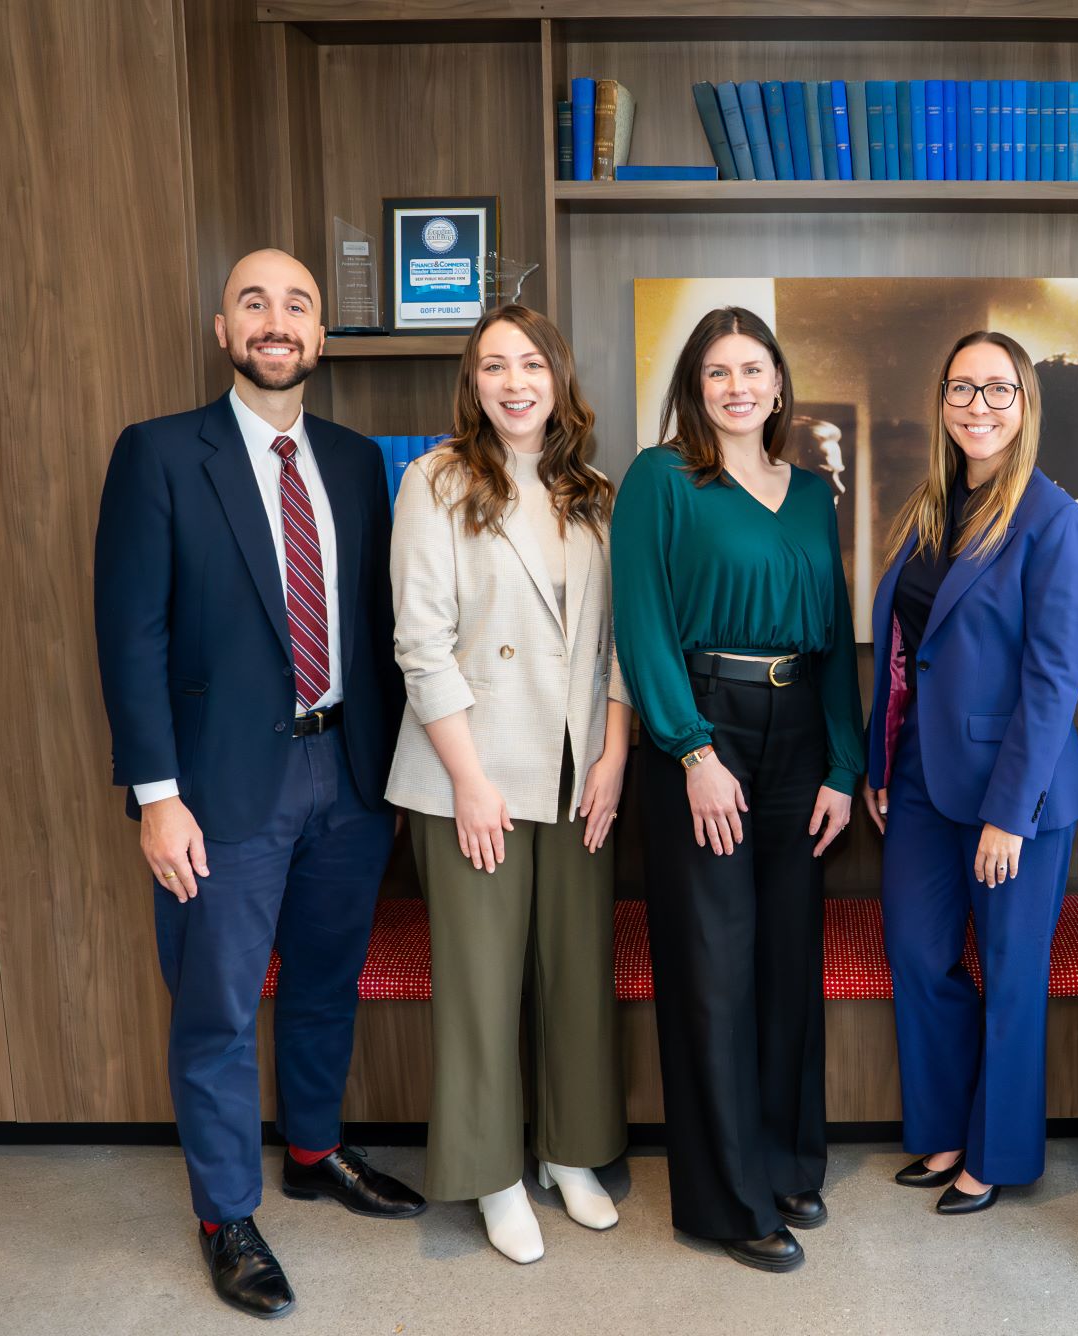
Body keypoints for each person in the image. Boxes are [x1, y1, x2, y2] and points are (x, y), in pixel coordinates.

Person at [93, 248, 423, 1321]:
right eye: (254, 303)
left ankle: (314, 1150)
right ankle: (225, 1213)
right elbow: (129, 635)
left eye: (297, 305)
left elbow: (376, 628)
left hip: (348, 773)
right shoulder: (157, 456)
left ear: (321, 337)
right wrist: (155, 793)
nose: (276, 321)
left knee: (326, 981)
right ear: (223, 331)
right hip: (221, 785)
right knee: (219, 1010)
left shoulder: (356, 458)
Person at [610, 306, 864, 1273]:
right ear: (694, 386)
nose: (736, 387)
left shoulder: (808, 492)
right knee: (714, 966)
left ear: (778, 383)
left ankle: (788, 1160)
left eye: (752, 368)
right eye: (716, 372)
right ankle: (722, 1202)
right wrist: (690, 752)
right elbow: (639, 624)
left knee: (788, 962)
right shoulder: (660, 479)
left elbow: (836, 637)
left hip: (800, 731)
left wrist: (843, 765)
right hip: (705, 730)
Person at [385, 305, 631, 1264]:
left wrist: (614, 757)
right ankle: (494, 1175)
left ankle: (570, 1153)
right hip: (471, 775)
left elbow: (618, 644)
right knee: (483, 986)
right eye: (495, 366)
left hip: (578, 770)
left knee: (575, 972)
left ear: (560, 377)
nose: (515, 382)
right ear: (473, 383)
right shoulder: (436, 481)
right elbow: (421, 644)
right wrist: (469, 781)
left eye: (532, 363)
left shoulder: (597, 491)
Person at [864, 330, 1078, 1216]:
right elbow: (900, 653)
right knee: (919, 955)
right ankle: (945, 1130)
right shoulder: (926, 507)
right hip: (919, 775)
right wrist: (883, 754)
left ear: (1025, 405)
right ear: (943, 402)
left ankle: (995, 1156)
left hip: (1017, 790)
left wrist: (1012, 812)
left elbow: (1052, 679)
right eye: (962, 388)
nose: (978, 406)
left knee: (1010, 970)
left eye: (999, 390)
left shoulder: (1052, 518)